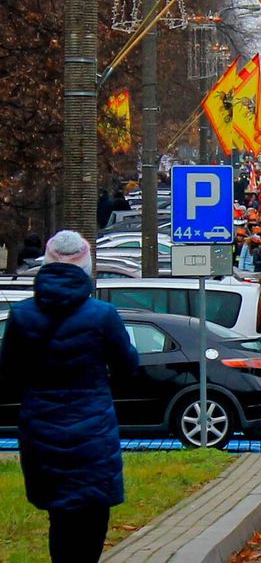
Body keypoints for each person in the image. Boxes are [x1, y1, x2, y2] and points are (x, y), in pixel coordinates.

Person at [0, 231, 139, 562]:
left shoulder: (22, 315)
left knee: (59, 516)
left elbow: (9, 374)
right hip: (93, 429)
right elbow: (128, 367)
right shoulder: (103, 315)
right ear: (86, 266)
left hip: (41, 429)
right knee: (93, 515)